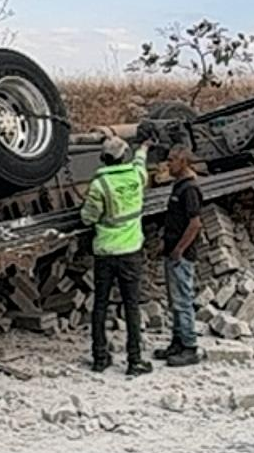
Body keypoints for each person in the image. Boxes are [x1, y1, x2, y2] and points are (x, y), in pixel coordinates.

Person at [81, 136, 153, 376]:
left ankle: (100, 358)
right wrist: (143, 148)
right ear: (124, 155)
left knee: (100, 305)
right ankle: (134, 361)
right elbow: (141, 164)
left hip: (105, 253)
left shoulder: (100, 185)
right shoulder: (136, 175)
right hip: (131, 252)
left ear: (104, 158)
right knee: (131, 306)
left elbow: (88, 218)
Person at [153, 145, 203, 367]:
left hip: (181, 256)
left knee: (183, 300)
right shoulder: (179, 186)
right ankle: (177, 342)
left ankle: (190, 347)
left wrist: (179, 249)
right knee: (175, 301)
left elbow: (195, 224)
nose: (168, 164)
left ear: (183, 162)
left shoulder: (189, 189)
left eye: (172, 160)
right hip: (172, 251)